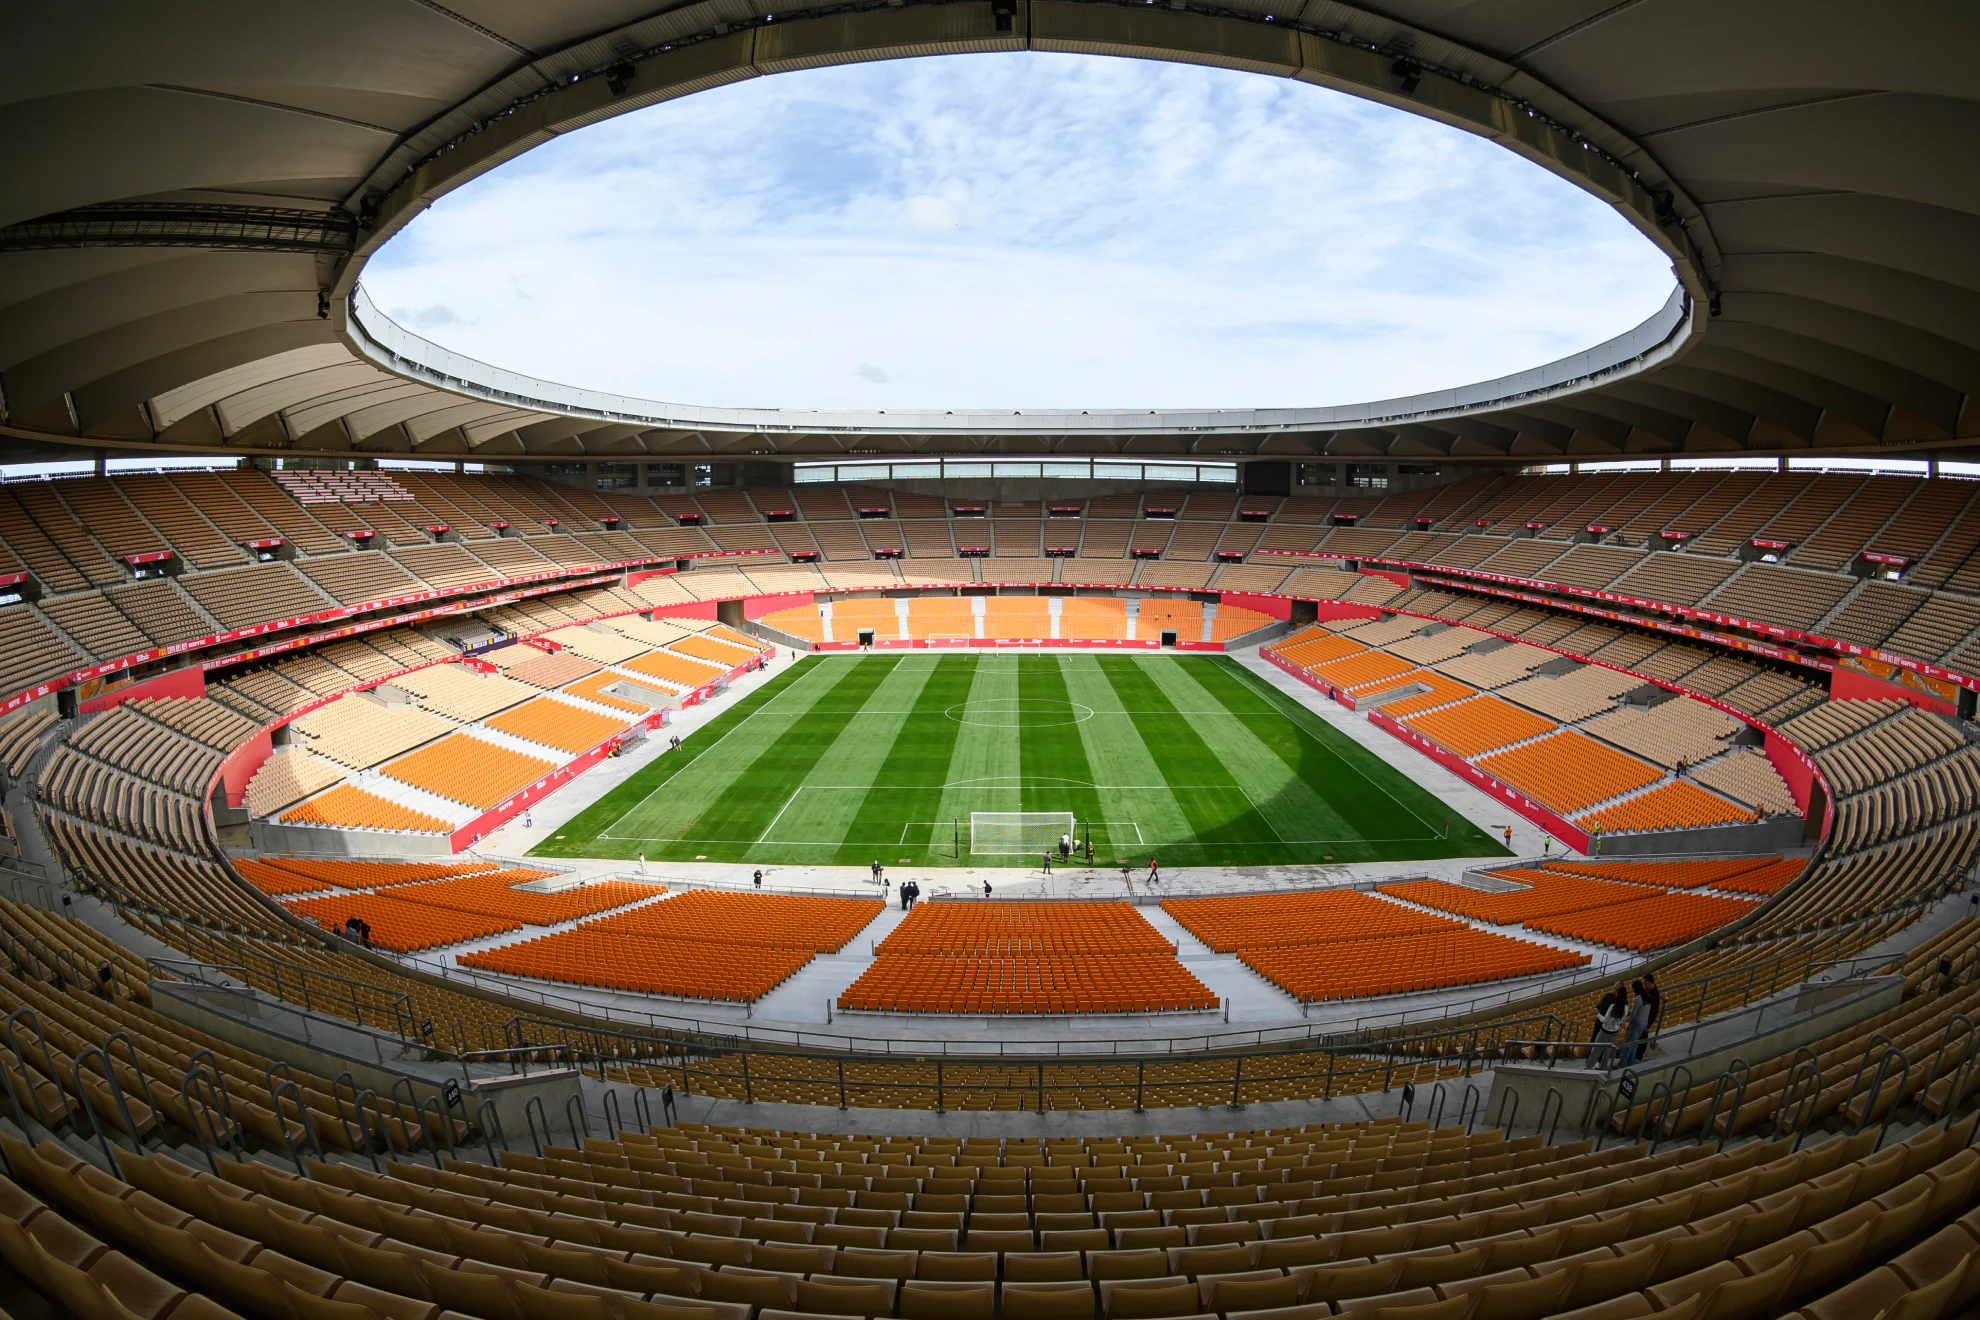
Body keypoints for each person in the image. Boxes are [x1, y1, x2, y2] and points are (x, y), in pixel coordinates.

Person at [1619, 979, 1654, 1067]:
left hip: (1637, 1023)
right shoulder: (1647, 996)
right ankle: (1630, 1061)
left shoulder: (1638, 999)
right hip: (1644, 1022)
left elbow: (1633, 1014)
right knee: (1634, 1043)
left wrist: (1629, 1024)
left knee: (1627, 1044)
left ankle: (1622, 1063)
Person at [1592, 982, 1629, 1060]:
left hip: (1607, 1029)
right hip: (1599, 1025)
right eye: (1613, 988)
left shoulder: (1620, 1006)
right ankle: (1590, 1062)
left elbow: (1606, 1020)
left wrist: (1598, 1015)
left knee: (1603, 1048)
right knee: (1593, 1044)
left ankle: (1597, 1064)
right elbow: (1599, 1005)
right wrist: (1597, 1009)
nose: (1613, 990)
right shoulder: (1608, 996)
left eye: (1616, 989)